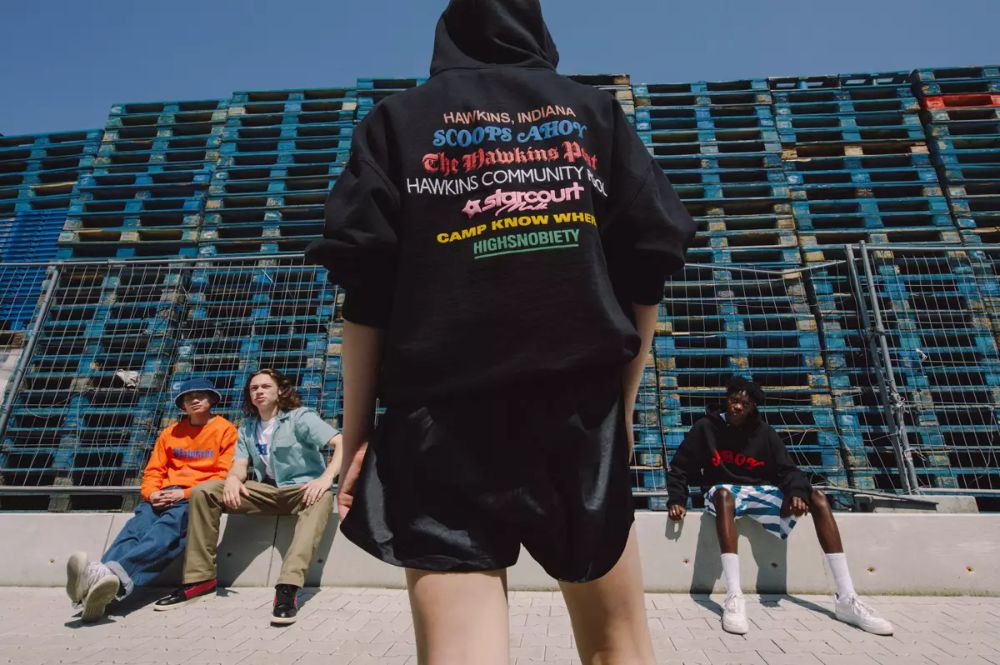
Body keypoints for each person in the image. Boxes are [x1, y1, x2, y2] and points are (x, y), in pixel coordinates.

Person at [305, 1, 697, 662]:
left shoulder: (398, 123)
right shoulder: (593, 114)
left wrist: (359, 436)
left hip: (440, 422)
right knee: (618, 647)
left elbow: (365, 297)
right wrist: (620, 416)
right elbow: (646, 275)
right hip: (577, 415)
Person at [666, 376, 894, 636]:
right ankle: (734, 597)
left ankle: (847, 598)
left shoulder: (764, 433)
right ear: (726, 400)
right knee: (724, 495)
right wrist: (676, 499)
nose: (737, 407)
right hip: (722, 491)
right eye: (733, 401)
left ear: (754, 408)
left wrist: (797, 492)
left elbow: (787, 470)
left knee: (817, 497)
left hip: (759, 490)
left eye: (745, 404)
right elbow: (680, 467)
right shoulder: (706, 427)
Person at [154, 369, 342, 625]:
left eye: (265, 386)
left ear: (279, 391)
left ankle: (288, 587)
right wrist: (232, 479)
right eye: (254, 388)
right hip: (265, 490)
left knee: (322, 499)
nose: (259, 392)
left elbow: (341, 442)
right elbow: (241, 464)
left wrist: (324, 479)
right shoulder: (249, 426)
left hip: (301, 490)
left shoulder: (300, 417)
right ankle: (201, 580)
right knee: (205, 491)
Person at [65, 379, 237, 622]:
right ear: (182, 405)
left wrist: (185, 494)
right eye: (188, 398)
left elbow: (223, 474)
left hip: (195, 497)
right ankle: (98, 584)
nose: (194, 400)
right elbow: (154, 471)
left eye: (200, 395)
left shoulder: (225, 429)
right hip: (163, 494)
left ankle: (102, 581)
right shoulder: (170, 433)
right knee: (134, 530)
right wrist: (152, 493)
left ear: (212, 400)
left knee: (164, 534)